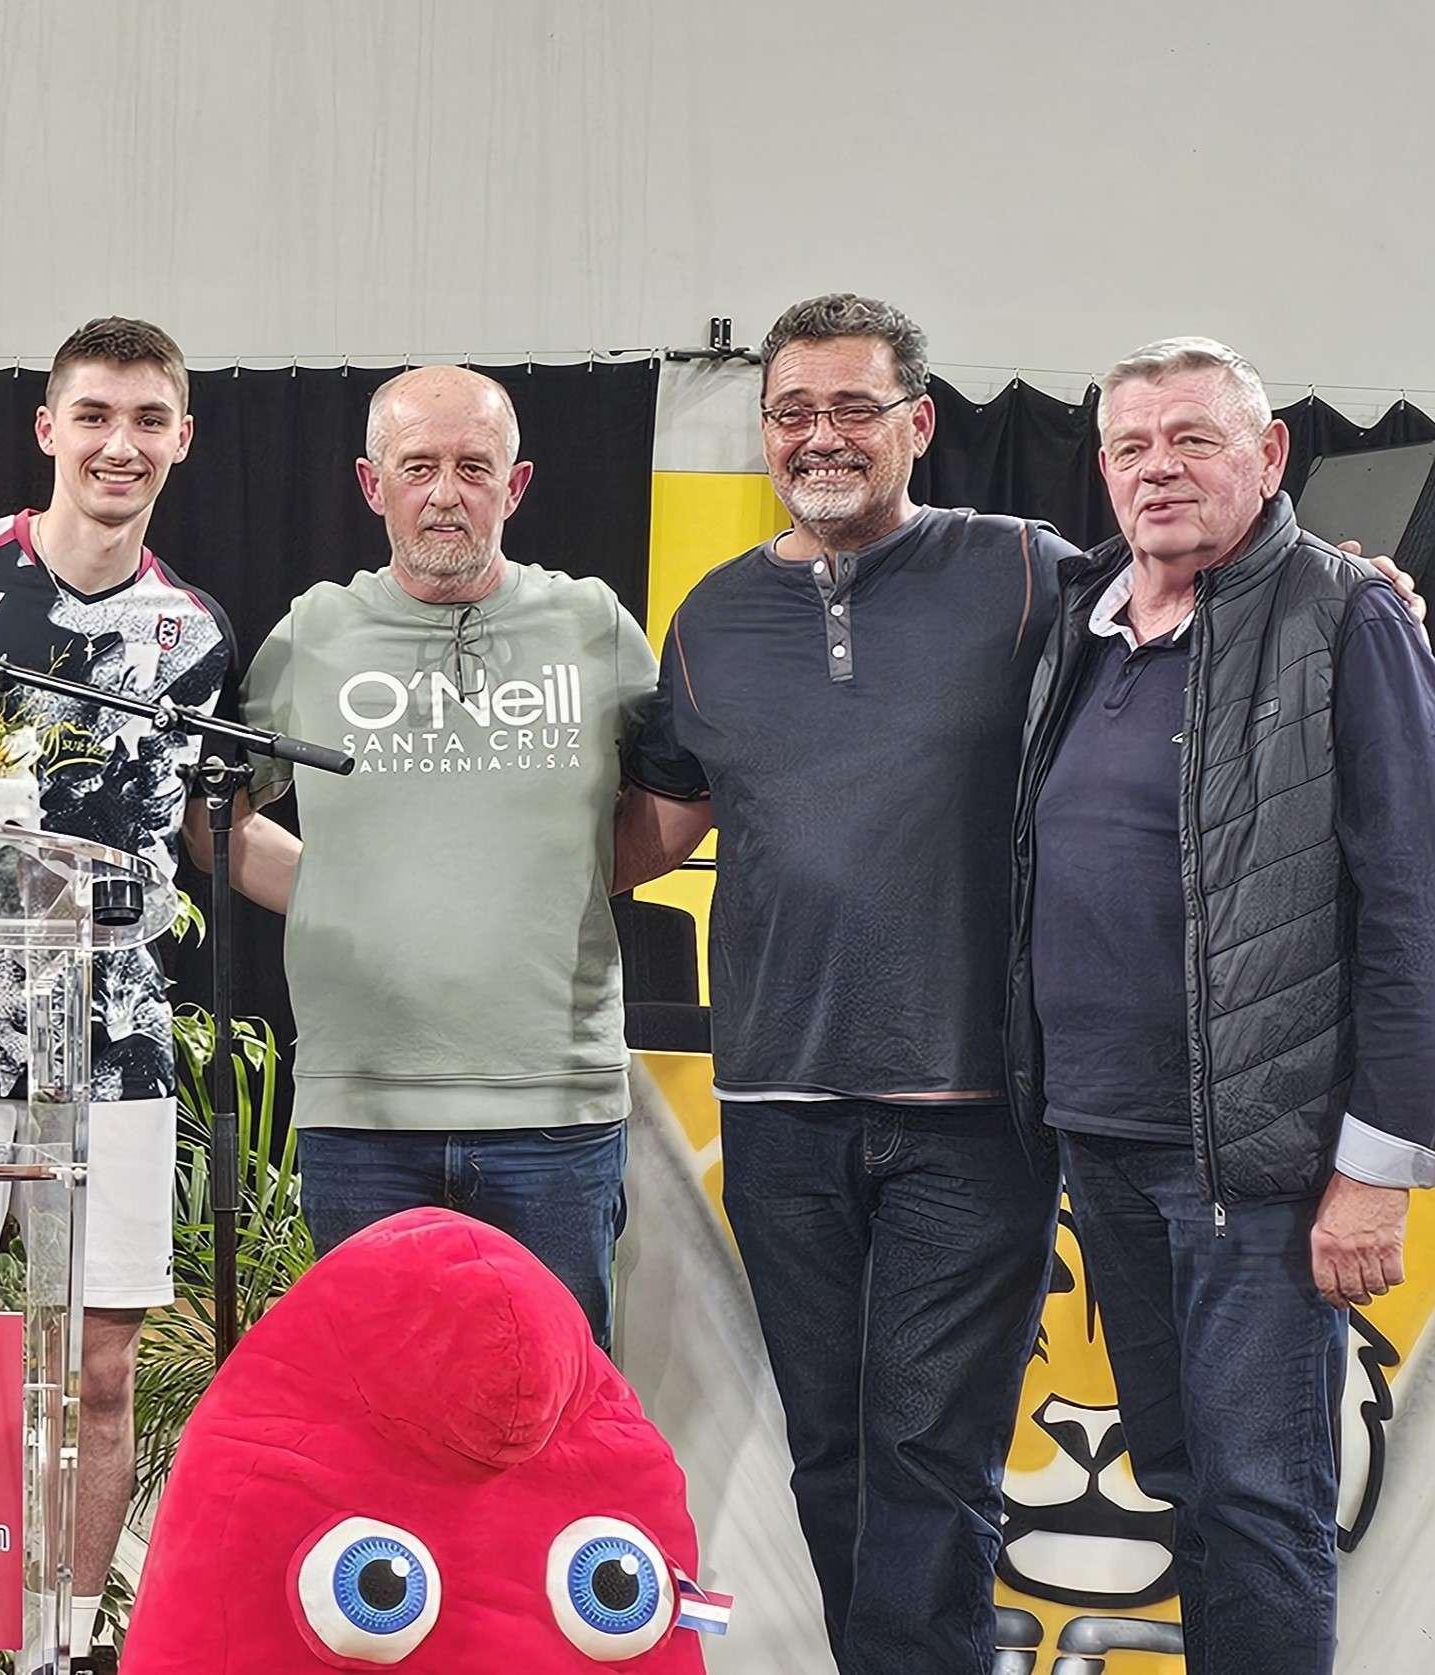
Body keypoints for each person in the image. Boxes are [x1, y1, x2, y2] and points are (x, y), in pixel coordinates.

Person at [615, 298, 1425, 1674]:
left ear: (918, 424)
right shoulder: (716, 617)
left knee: (951, 1452)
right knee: (837, 1449)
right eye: (793, 410)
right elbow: (662, 818)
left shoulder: (1030, 575)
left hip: (984, 1104)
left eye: (856, 408)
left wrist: (1350, 588)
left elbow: (1238, 610)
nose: (822, 435)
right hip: (786, 1101)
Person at [0, 317, 272, 1675]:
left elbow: (216, 830)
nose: (119, 443)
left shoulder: (192, 629)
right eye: (94, 415)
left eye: (149, 418)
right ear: (48, 428)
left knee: (96, 1365)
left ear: (181, 440)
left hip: (114, 1043)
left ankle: (64, 1639)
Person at [1008, 337, 1435, 1674]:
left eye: (1191, 438)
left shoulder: (1342, 614)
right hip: (1101, 1137)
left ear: (1268, 456)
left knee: (1259, 1506)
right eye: (1130, 446)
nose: (1158, 468)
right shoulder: (1076, 619)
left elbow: (1413, 899)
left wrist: (1377, 1169)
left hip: (1260, 1162)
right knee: (1188, 1481)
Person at [229, 364, 654, 1347]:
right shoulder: (312, 635)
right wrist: (348, 899)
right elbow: (221, 823)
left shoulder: (591, 624)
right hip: (363, 1112)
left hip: (555, 1106)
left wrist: (556, 885)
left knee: (553, 1409)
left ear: (516, 485)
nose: (445, 493)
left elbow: (678, 801)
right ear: (372, 485)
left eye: (474, 466)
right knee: (378, 1416)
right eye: (417, 466)